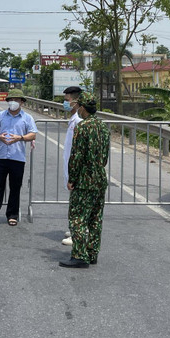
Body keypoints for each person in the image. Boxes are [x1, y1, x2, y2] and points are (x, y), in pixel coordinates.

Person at [60, 94, 110, 268]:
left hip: (84, 180)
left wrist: (72, 178)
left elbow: (77, 156)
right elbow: (104, 158)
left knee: (78, 218)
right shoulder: (103, 127)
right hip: (100, 179)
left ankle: (80, 256)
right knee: (95, 219)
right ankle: (92, 253)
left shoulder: (82, 127)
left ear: (82, 107)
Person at [0, 88, 37, 227]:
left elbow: (33, 134)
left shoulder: (27, 118)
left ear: (22, 102)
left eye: (16, 100)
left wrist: (20, 138)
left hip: (17, 157)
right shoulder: (1, 115)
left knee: (15, 187)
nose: (13, 102)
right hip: (0, 156)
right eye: (11, 100)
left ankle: (12, 215)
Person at [60, 86, 83, 246]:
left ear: (75, 101)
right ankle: (76, 228)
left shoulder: (79, 121)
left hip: (76, 168)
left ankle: (78, 234)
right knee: (75, 201)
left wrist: (74, 172)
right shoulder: (73, 118)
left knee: (78, 202)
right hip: (71, 166)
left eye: (67, 100)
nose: (65, 103)